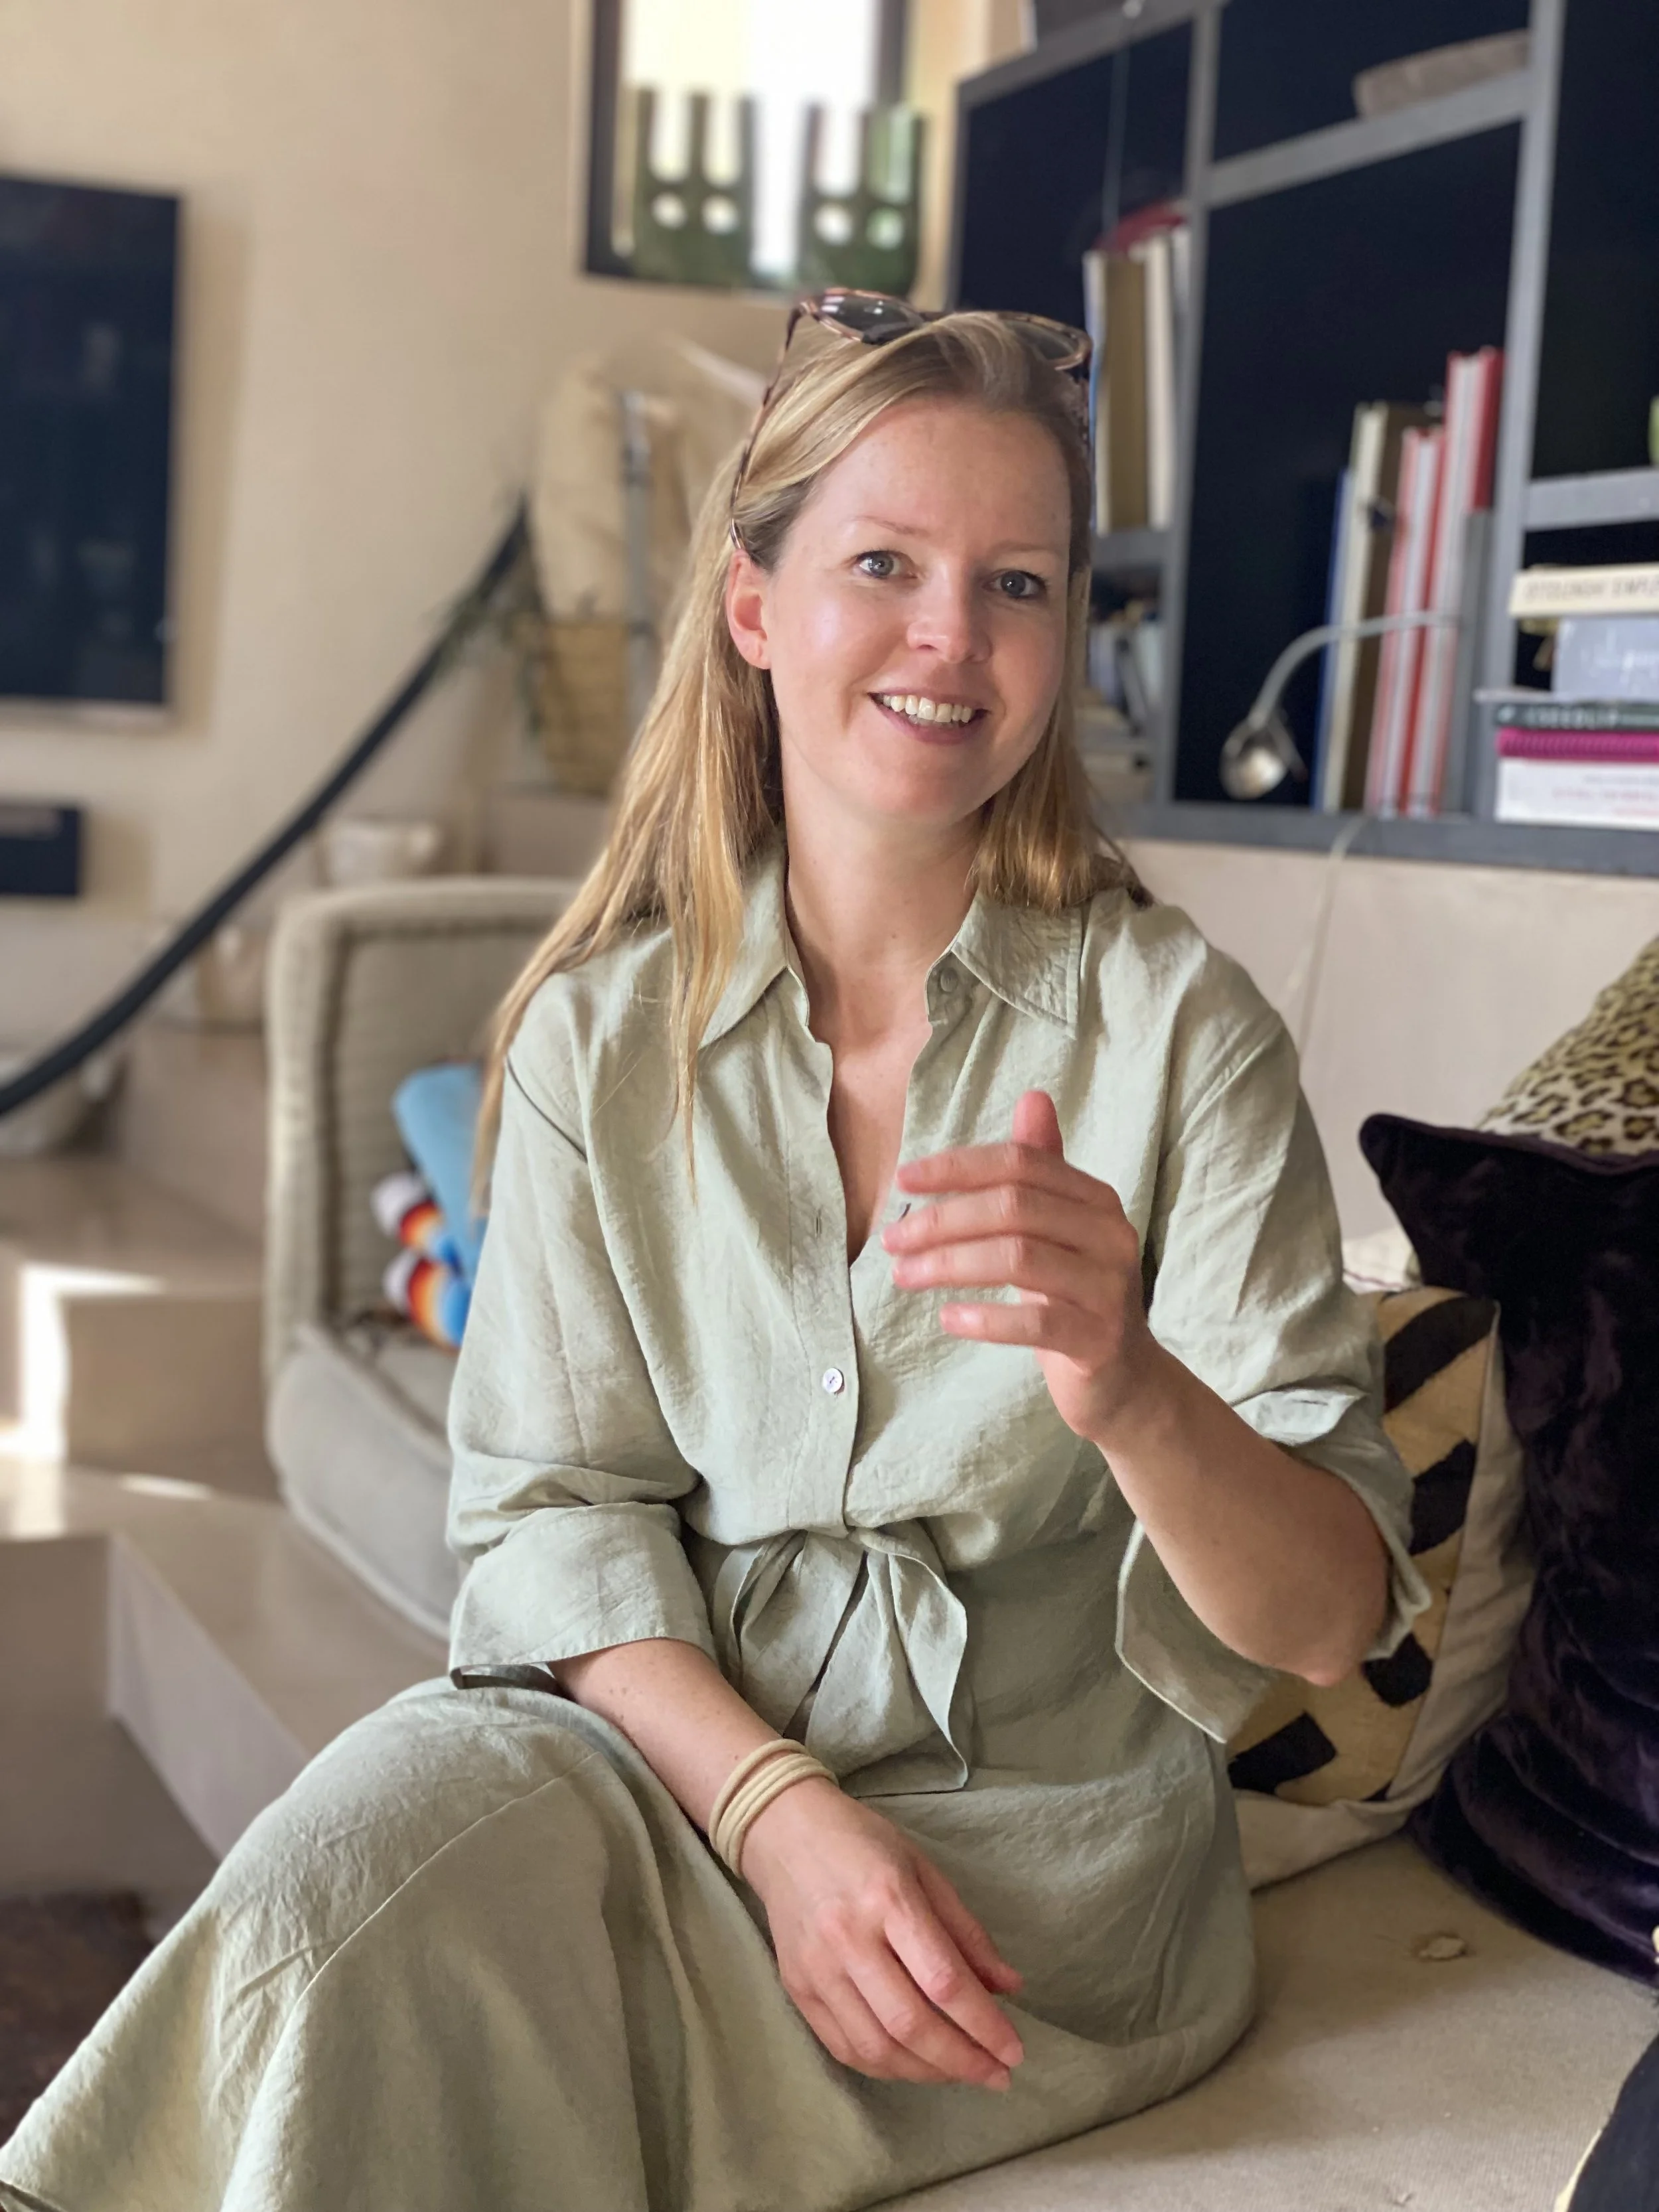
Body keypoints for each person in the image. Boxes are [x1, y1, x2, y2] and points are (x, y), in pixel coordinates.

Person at [0, 297, 1426, 2212]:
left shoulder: (1178, 1033)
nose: (951, 636)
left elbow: (1330, 1620)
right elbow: (548, 1510)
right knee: (356, 1860)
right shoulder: (603, 1039)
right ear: (755, 607)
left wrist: (1128, 1386)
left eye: (1014, 580)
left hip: (1023, 1915)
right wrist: (773, 1814)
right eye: (883, 565)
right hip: (690, 1779)